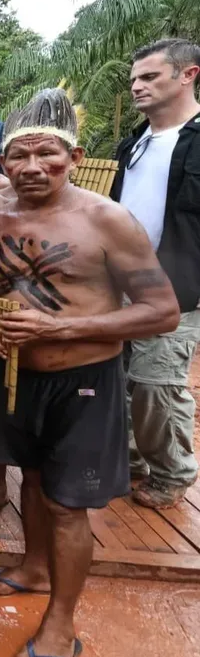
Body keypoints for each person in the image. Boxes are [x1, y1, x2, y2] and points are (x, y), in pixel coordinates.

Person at [0, 88, 179, 657]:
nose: (33, 167)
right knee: (31, 481)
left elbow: (162, 311)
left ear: (76, 154)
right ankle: (36, 568)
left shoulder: (108, 220)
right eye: (20, 155)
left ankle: (61, 625)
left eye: (48, 155)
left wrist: (58, 330)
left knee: (68, 504)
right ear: (1, 158)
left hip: (85, 379)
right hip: (15, 374)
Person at [112, 38, 200, 509]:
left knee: (155, 383)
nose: (137, 87)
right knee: (120, 376)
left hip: (178, 288)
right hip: (123, 282)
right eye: (134, 80)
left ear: (188, 75)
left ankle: (173, 471)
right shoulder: (135, 143)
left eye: (149, 77)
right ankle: (130, 461)